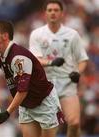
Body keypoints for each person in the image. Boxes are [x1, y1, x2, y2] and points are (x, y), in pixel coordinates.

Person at [0, 20, 64, 137]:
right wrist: (50, 62)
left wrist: (7, 113)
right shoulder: (0, 59)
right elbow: (30, 62)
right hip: (26, 104)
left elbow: (23, 90)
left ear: (5, 36)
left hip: (44, 101)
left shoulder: (18, 57)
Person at [29, 1, 89, 137]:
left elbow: (83, 59)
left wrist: (77, 72)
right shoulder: (37, 34)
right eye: (49, 10)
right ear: (45, 13)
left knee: (74, 123)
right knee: (49, 130)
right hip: (46, 85)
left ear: (62, 13)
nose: (53, 13)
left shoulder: (72, 34)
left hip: (66, 82)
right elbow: (35, 59)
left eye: (56, 10)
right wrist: (51, 62)